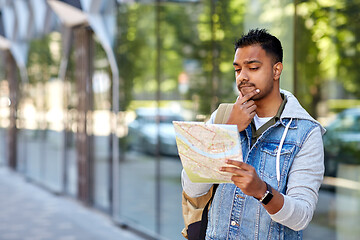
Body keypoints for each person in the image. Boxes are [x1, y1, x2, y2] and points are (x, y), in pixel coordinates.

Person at [181, 28, 325, 239]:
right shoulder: (221, 117)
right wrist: (227, 130)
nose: (243, 77)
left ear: (277, 70)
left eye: (253, 67)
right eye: (238, 69)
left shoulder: (306, 133)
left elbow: (301, 217)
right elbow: (192, 189)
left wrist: (262, 191)